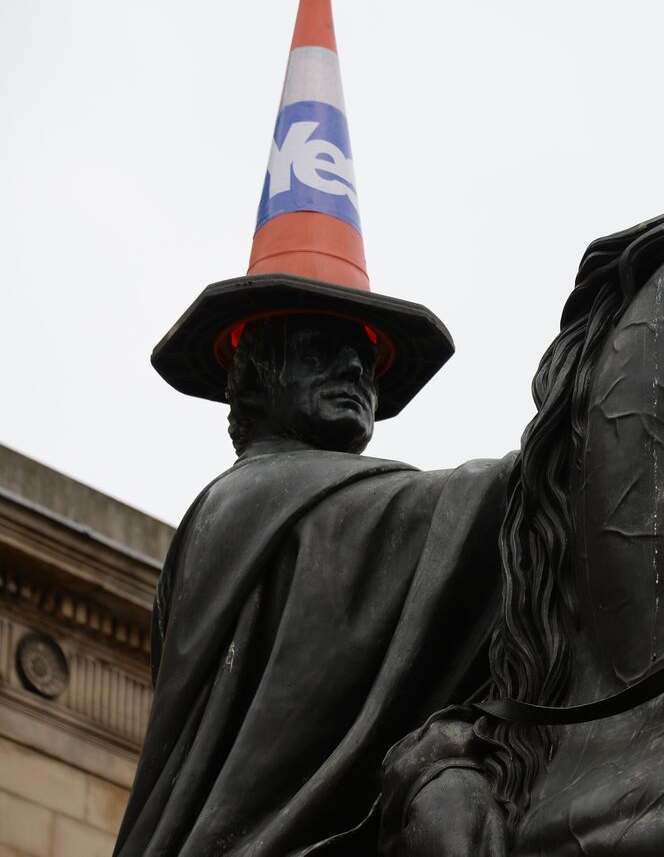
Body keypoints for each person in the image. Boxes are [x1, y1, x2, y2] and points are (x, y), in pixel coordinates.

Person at [116, 311, 512, 856]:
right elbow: (462, 513)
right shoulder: (249, 499)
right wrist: (569, 439)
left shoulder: (328, 504)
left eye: (366, 362)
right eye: (320, 349)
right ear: (254, 382)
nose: (353, 368)